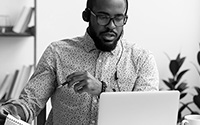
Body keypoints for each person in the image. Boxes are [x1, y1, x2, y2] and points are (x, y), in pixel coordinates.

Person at [0, 0, 159, 124]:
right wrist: (9, 112)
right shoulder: (58, 52)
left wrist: (102, 90)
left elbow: (146, 115)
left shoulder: (141, 59)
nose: (111, 26)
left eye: (118, 18)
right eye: (103, 17)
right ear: (87, 16)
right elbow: (30, 103)